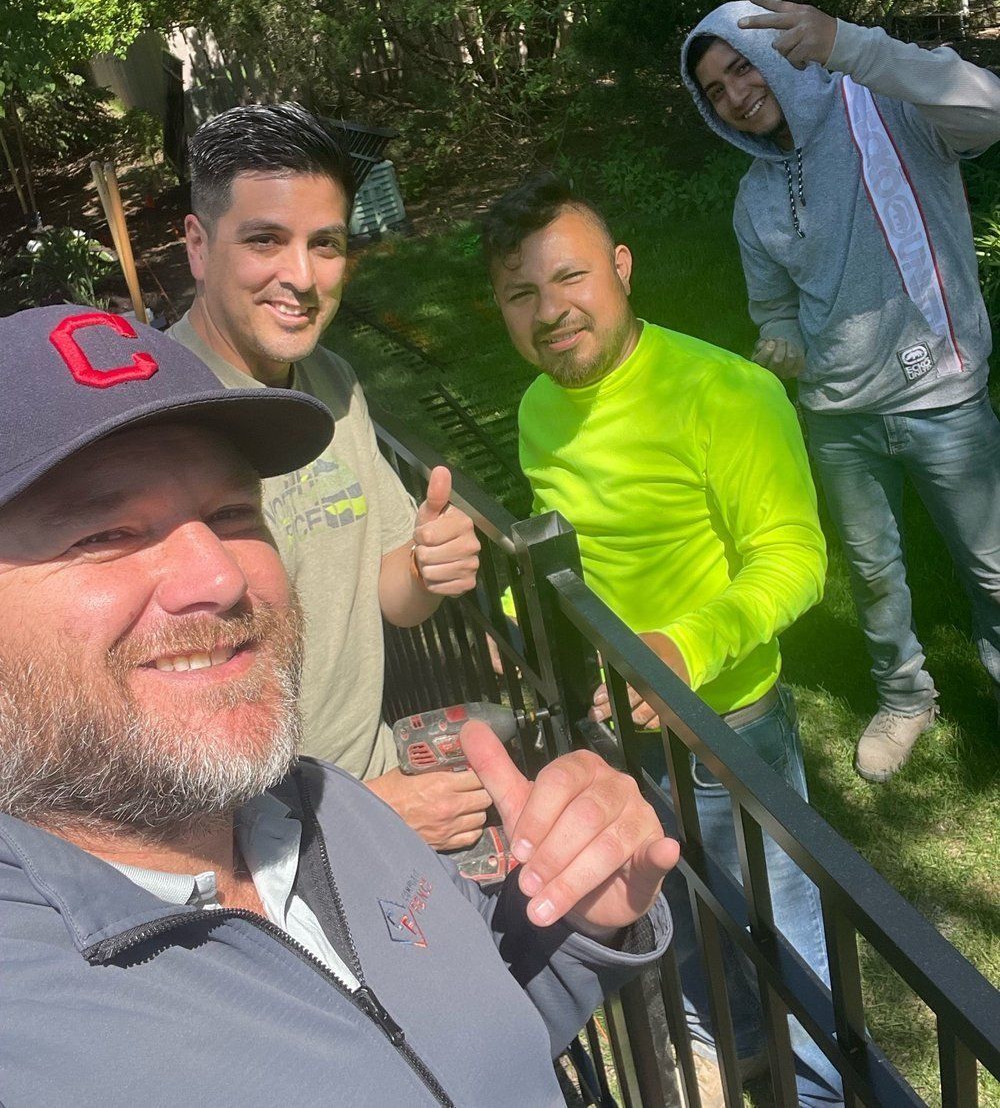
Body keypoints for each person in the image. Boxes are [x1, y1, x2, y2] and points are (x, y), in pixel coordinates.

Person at [0, 302, 676, 1105]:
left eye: (232, 513)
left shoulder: (323, 804)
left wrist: (577, 919)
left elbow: (469, 1036)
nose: (218, 577)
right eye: (104, 534)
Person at [481, 176, 841, 1107]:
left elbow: (795, 556)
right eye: (522, 294)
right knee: (674, 913)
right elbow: (572, 543)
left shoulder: (728, 391)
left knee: (786, 933)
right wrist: (517, 624)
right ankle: (730, 1055)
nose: (551, 311)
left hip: (727, 726)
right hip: (611, 727)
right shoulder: (535, 408)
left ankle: (820, 1087)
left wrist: (682, 650)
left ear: (622, 269)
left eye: (570, 278)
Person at [681, 0, 1000, 782]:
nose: (735, 94)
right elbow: (776, 302)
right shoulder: (753, 196)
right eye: (715, 91)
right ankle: (904, 697)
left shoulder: (887, 108)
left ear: (780, 50)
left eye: (739, 66)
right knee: (872, 570)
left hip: (943, 392)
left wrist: (851, 44)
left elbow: (987, 110)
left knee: (993, 563)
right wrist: (782, 338)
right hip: (837, 416)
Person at [168, 102, 487, 850]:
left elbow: (391, 596)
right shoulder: (158, 423)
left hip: (372, 787)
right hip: (260, 845)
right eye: (265, 241)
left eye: (326, 244)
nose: (302, 277)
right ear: (198, 245)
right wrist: (353, 817)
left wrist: (427, 565)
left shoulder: (331, 378)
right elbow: (160, 735)